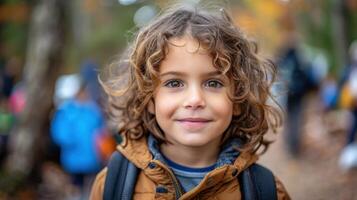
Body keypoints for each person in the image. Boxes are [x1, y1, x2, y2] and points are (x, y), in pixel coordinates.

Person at [90, 5, 290, 200]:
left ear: (238, 99)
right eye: (174, 82)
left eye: (213, 83)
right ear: (149, 99)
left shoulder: (267, 190)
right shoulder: (112, 184)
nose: (195, 100)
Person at [51, 78, 105, 197]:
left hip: (92, 158)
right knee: (75, 187)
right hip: (73, 159)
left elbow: (101, 131)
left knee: (91, 187)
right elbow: (59, 133)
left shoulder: (92, 110)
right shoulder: (66, 111)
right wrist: (72, 142)